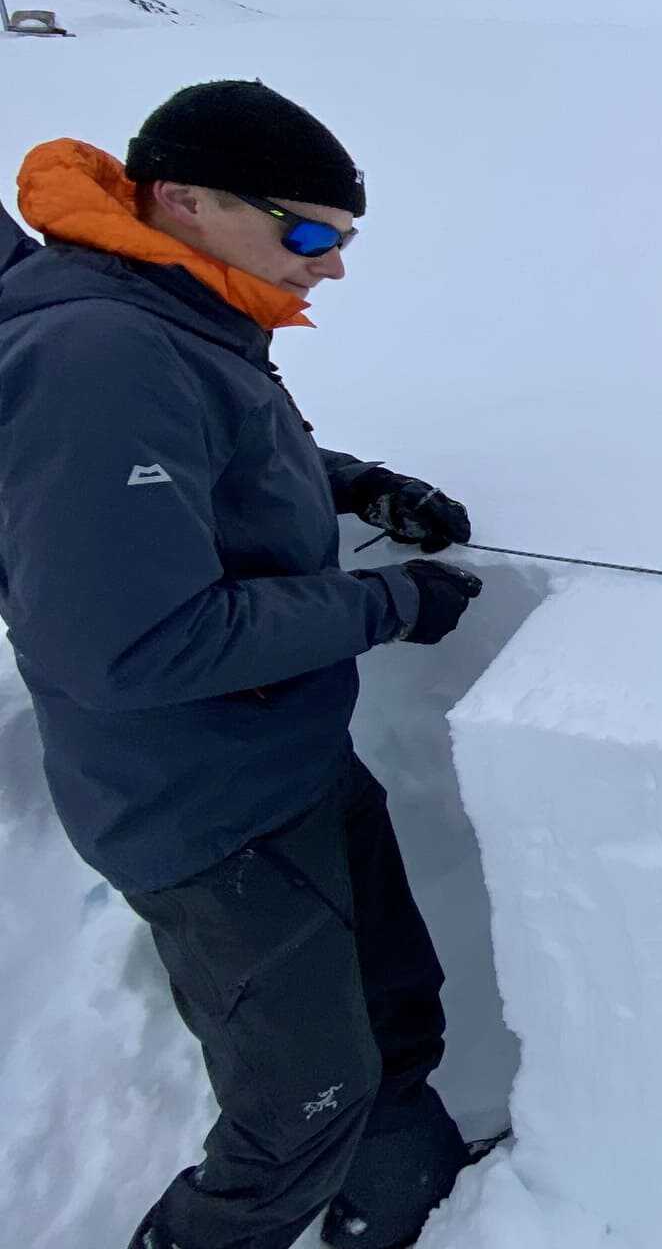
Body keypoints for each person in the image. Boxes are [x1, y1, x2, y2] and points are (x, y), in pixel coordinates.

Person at [0, 81, 490, 1249]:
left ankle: (401, 1195)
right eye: (310, 235)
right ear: (184, 200)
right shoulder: (100, 353)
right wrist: (386, 604)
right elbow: (133, 644)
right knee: (296, 1110)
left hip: (285, 752)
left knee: (392, 1008)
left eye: (345, 239)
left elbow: (208, 453)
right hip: (202, 808)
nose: (333, 266)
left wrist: (353, 484)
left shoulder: (170, 301)